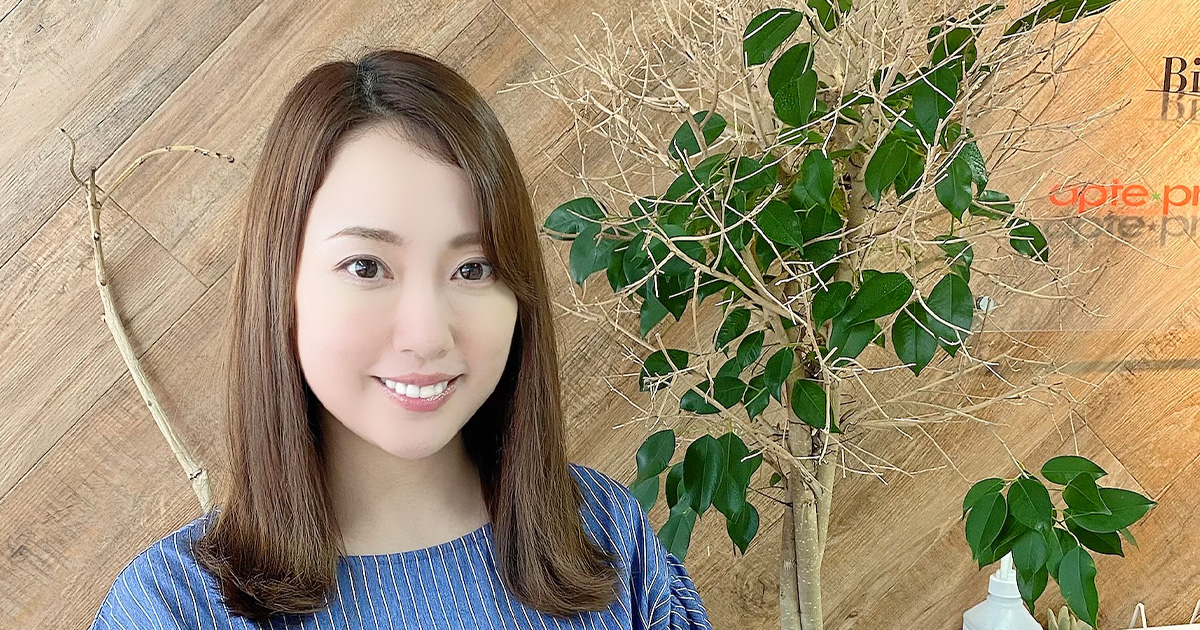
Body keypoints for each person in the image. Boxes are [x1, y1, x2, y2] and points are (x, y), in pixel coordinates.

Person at [86, 47, 714, 630]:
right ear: (280, 286)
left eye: (474, 269)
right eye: (366, 266)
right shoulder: (172, 608)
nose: (427, 335)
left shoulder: (605, 534)